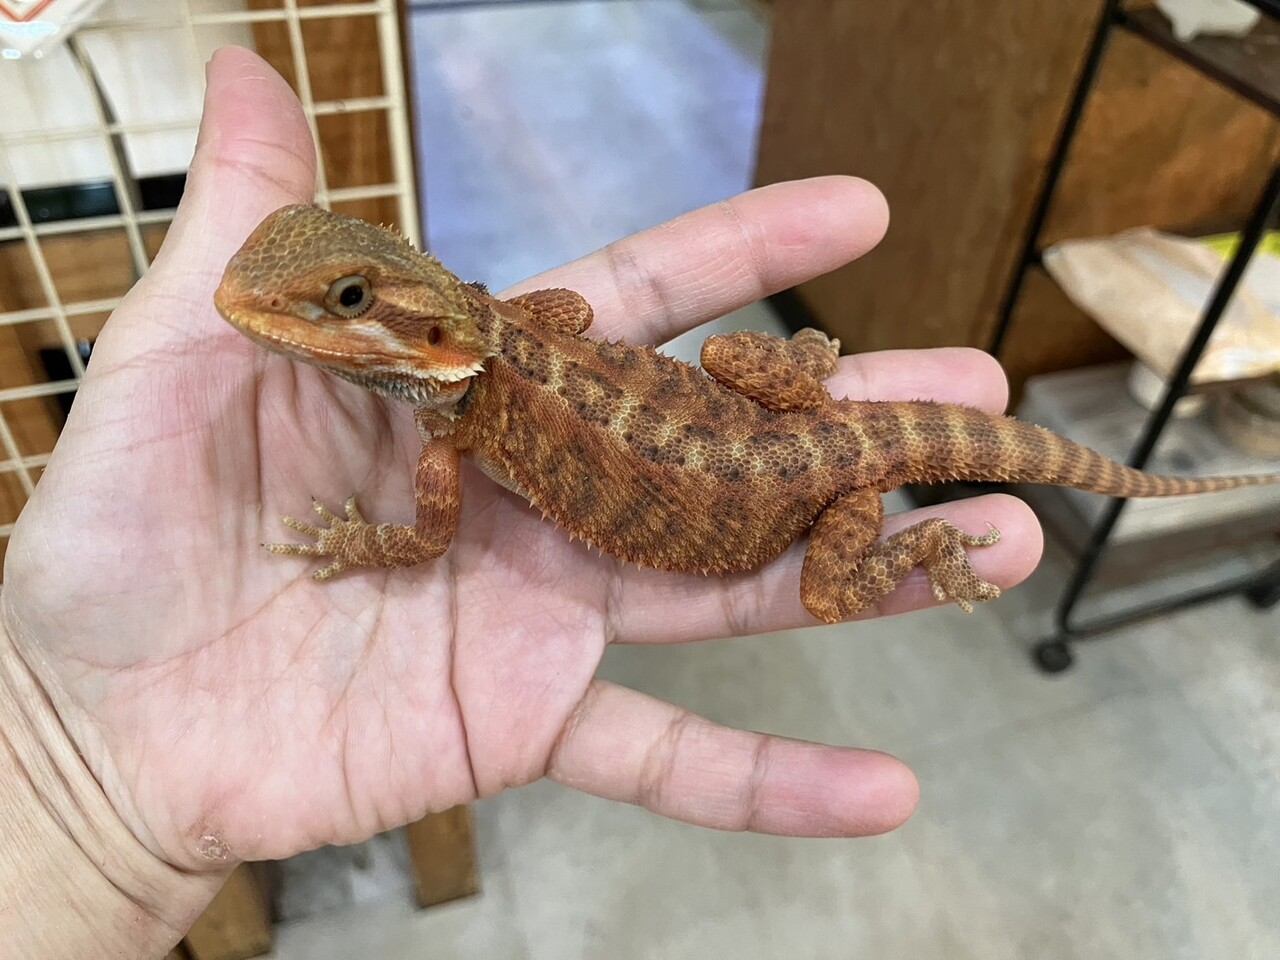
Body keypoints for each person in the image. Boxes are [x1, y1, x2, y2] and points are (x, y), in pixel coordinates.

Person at [0, 47, 1040, 957]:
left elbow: (427, 540)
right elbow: (569, 310)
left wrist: (356, 542)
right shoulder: (476, 368)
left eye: (349, 300)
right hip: (787, 429)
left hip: (797, 489)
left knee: (826, 587)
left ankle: (924, 544)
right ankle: (813, 384)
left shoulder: (452, 434)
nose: (272, 312)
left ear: (436, 336)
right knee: (734, 354)